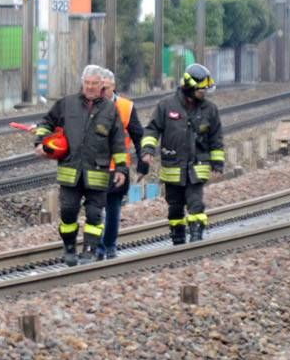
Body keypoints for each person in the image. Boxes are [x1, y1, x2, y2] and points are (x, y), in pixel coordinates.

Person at [34, 65, 127, 266]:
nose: (90, 87)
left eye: (94, 83)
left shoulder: (110, 110)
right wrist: (41, 143)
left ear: (102, 85)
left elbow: (118, 142)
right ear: (82, 83)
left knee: (94, 214)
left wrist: (121, 169)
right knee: (68, 211)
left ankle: (90, 250)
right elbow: (45, 123)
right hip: (70, 171)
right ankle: (69, 248)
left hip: (98, 172)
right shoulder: (67, 104)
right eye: (87, 83)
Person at [139, 63, 224, 245]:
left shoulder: (210, 109)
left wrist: (217, 162)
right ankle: (177, 237)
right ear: (189, 86)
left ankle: (196, 237)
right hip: (173, 167)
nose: (204, 93)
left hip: (197, 167)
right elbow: (152, 130)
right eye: (201, 90)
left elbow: (216, 137)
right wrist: (147, 150)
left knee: (196, 204)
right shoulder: (166, 106)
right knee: (175, 208)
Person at [95, 68, 144, 260]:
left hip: (118, 168)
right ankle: (98, 247)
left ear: (113, 86)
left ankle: (108, 246)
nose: (101, 91)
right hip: (95, 167)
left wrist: (143, 163)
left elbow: (139, 136)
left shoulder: (126, 107)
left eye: (104, 87)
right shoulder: (90, 105)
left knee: (113, 207)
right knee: (95, 208)